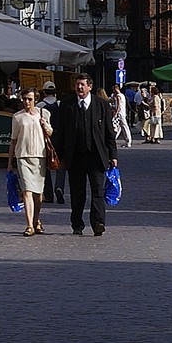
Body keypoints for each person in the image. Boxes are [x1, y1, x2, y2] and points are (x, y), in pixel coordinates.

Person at [53, 72, 119, 236]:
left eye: (82, 84)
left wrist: (113, 155)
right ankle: (77, 224)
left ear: (90, 86)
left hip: (96, 156)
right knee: (77, 192)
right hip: (75, 156)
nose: (79, 87)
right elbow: (60, 132)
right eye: (77, 84)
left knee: (97, 191)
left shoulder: (101, 105)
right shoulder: (67, 105)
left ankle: (98, 222)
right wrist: (59, 155)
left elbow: (109, 132)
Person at [7, 89, 53, 235]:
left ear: (36, 100)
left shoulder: (43, 113)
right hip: (23, 156)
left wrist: (45, 124)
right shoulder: (17, 117)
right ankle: (29, 225)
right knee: (27, 191)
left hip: (40, 156)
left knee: (38, 194)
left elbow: (51, 132)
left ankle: (36, 219)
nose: (27, 102)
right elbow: (13, 141)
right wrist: (10, 162)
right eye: (25, 99)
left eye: (30, 99)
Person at [109, 85, 131, 149]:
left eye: (113, 90)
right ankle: (113, 139)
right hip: (122, 113)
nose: (113, 91)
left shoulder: (118, 96)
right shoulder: (122, 95)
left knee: (123, 127)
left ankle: (128, 141)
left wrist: (116, 113)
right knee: (119, 128)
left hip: (120, 114)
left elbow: (118, 106)